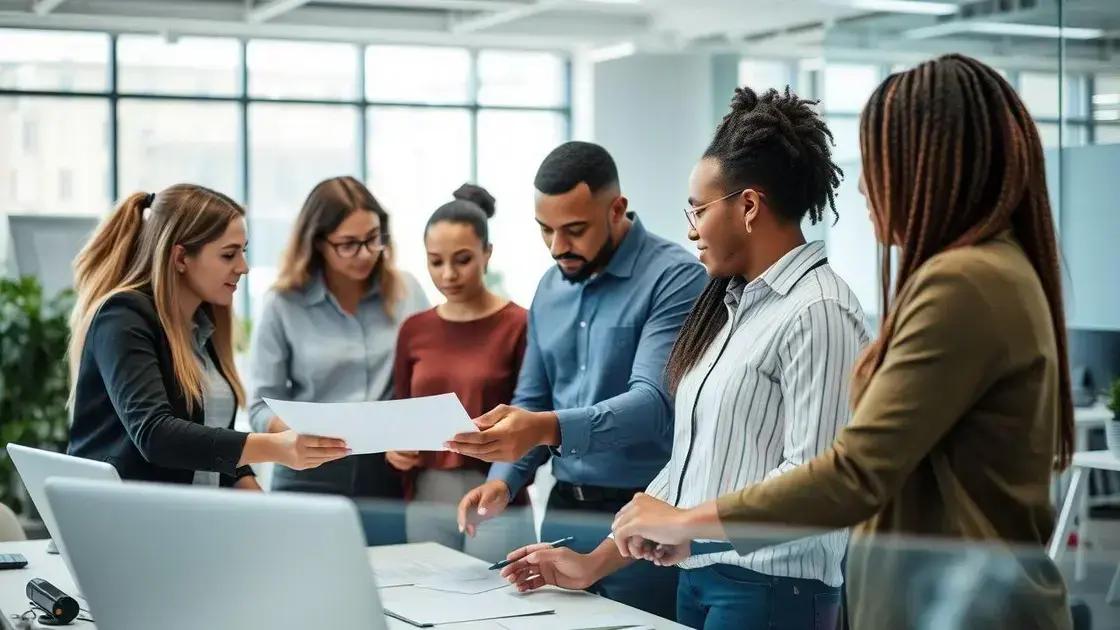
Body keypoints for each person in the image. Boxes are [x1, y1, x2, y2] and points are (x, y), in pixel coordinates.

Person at [597, 55, 1075, 629]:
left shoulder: (962, 281)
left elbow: (852, 475)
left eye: (879, 162)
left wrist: (691, 523)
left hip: (958, 608)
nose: (867, 186)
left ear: (931, 166)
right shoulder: (990, 270)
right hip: (947, 601)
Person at [499, 87, 869, 630]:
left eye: (697, 208)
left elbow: (816, 486)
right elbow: (696, 463)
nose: (690, 227)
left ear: (748, 206)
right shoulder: (731, 306)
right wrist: (593, 564)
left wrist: (685, 523)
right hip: (702, 578)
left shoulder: (820, 311)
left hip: (775, 592)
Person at [445, 141, 708, 619]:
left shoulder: (676, 277)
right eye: (545, 230)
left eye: (574, 230)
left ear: (617, 209)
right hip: (564, 510)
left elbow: (652, 404)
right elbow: (533, 396)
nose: (557, 246)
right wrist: (504, 480)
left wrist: (545, 427)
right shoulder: (549, 285)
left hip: (646, 519)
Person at [68, 185, 350, 486]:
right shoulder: (123, 316)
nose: (243, 267)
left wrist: (269, 516)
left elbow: (220, 454)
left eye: (243, 252)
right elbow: (156, 434)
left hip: (191, 519)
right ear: (180, 258)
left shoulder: (203, 327)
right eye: (228, 255)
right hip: (125, 520)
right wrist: (277, 447)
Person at [248, 176, 429, 541]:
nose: (364, 253)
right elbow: (258, 407)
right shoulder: (282, 304)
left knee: (394, 588)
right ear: (317, 243)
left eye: (373, 238)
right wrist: (303, 430)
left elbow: (427, 380)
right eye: (348, 244)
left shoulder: (407, 291)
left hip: (387, 476)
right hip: (308, 473)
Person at [387, 184, 536, 562]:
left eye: (463, 259)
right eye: (435, 261)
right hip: (425, 493)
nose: (448, 274)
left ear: (488, 254)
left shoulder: (519, 324)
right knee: (427, 605)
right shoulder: (414, 329)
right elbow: (399, 412)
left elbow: (534, 414)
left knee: (496, 609)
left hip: (497, 490)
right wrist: (395, 447)